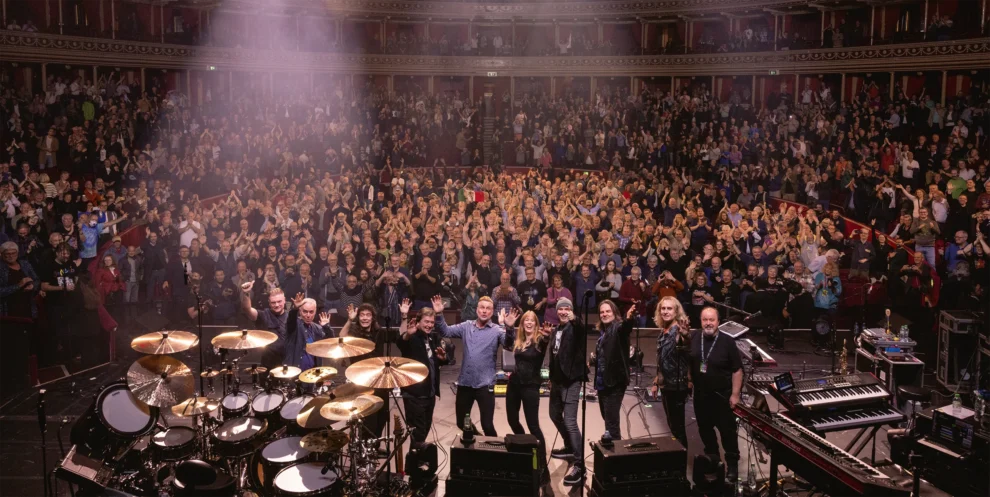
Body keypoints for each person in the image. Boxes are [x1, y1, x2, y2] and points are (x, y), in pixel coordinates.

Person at [432, 294, 518, 437]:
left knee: (487, 425)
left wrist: (509, 328)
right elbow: (445, 331)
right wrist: (439, 314)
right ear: (477, 310)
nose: (484, 311)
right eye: (482, 307)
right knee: (461, 423)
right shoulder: (466, 326)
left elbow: (509, 345)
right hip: (465, 383)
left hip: (485, 384)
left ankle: (495, 448)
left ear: (492, 312)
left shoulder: (496, 330)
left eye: (488, 308)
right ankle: (478, 441)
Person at [690, 307, 743, 483]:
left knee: (728, 433)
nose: (708, 323)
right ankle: (714, 462)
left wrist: (735, 394)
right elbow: (689, 361)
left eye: (711, 320)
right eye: (705, 320)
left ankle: (732, 465)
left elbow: (737, 370)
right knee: (705, 431)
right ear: (700, 321)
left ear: (718, 322)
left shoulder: (727, 341)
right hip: (701, 396)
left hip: (722, 396)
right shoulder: (694, 337)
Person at [546, 297, 588, 486]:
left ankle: (579, 465)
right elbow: (554, 355)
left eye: (566, 309)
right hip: (557, 381)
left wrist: (575, 319)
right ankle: (570, 446)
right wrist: (551, 378)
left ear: (571, 311)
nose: (563, 311)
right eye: (560, 309)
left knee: (570, 421)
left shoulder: (575, 327)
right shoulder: (556, 330)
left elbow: (581, 328)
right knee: (554, 415)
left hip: (572, 381)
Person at [396, 300, 448, 449]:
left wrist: (443, 358)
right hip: (414, 396)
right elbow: (401, 343)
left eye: (432, 322)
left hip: (429, 395)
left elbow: (441, 360)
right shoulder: (412, 337)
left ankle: (416, 460)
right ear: (418, 322)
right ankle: (413, 461)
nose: (429, 325)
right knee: (418, 435)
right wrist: (407, 332)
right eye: (426, 322)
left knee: (423, 433)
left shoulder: (432, 338)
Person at [502, 310, 550, 470]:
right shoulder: (519, 340)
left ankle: (542, 464)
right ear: (522, 324)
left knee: (533, 426)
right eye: (526, 320)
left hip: (530, 386)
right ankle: (525, 447)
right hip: (514, 385)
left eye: (532, 320)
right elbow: (506, 345)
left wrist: (547, 337)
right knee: (512, 420)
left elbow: (544, 344)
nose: (529, 323)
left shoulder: (539, 340)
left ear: (536, 324)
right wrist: (509, 328)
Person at [590, 299, 637, 440]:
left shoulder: (617, 328)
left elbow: (625, 328)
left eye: (608, 311)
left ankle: (616, 450)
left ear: (614, 312)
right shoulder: (604, 332)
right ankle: (613, 446)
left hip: (614, 383)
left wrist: (629, 319)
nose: (604, 314)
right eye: (602, 312)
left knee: (611, 425)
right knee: (608, 419)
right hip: (603, 383)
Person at [651, 296, 693, 449]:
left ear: (676, 311)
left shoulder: (678, 330)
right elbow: (662, 359)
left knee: (677, 428)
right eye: (663, 308)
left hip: (677, 386)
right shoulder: (664, 331)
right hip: (666, 384)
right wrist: (656, 381)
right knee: (673, 426)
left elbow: (686, 343)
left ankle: (681, 460)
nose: (665, 311)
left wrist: (685, 335)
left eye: (669, 308)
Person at [239, 280, 290, 368]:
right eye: (273, 302)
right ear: (269, 302)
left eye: (279, 301)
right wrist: (246, 293)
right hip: (268, 364)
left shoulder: (291, 318)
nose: (277, 305)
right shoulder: (263, 315)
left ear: (284, 300)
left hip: (287, 364)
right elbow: (247, 309)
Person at [285, 293, 332, 371]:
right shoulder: (295, 325)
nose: (308, 315)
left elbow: (331, 344)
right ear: (300, 311)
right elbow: (291, 321)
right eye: (305, 311)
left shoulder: (317, 328)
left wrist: (326, 327)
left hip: (312, 373)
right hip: (295, 373)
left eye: (311, 312)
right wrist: (294, 309)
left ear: (315, 312)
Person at [0, 241, 40, 319]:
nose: (11, 256)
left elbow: (37, 280)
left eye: (13, 253)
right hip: (8, 309)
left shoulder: (25, 264)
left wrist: (33, 286)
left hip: (28, 306)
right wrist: (18, 285)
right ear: (2, 254)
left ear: (17, 253)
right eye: (7, 254)